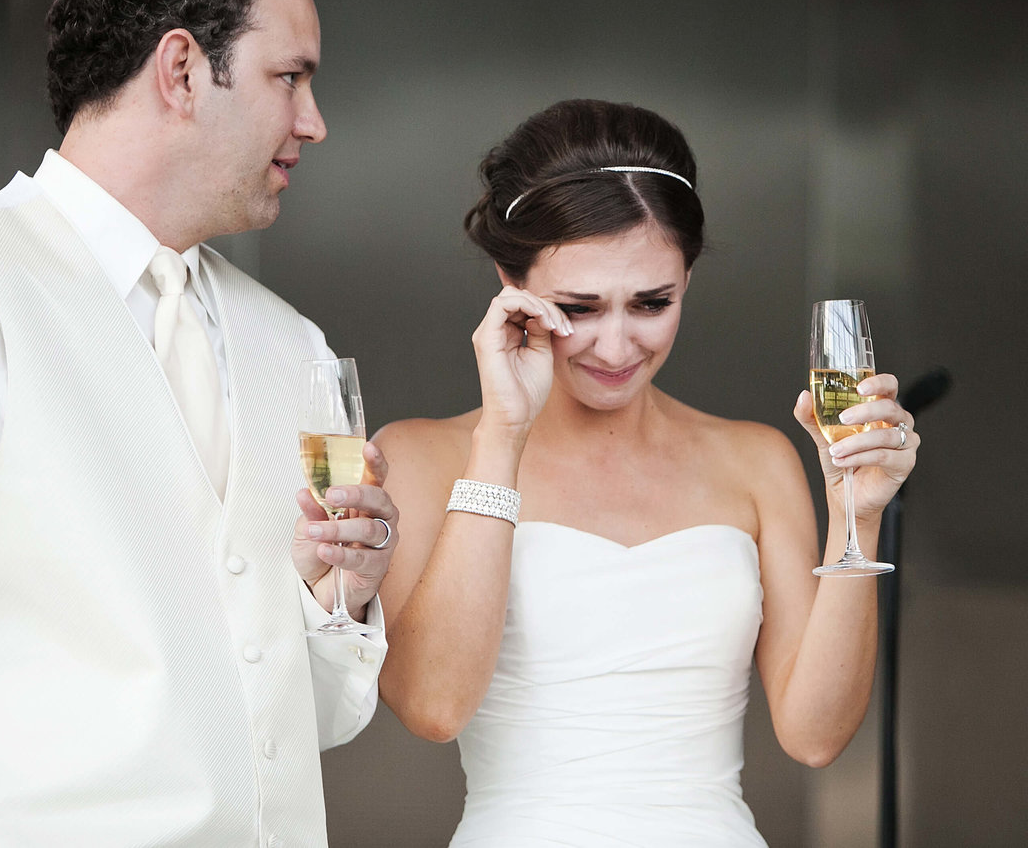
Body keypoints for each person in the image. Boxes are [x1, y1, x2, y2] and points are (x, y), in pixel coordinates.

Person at [0, 0, 398, 848]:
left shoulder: (296, 349)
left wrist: (339, 596)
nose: (315, 122)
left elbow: (321, 721)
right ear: (181, 69)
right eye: (289, 77)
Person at [374, 99, 919, 846]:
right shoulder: (422, 456)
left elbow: (815, 735)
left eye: (652, 302)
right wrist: (503, 434)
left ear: (687, 277)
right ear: (511, 283)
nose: (617, 344)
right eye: (580, 306)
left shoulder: (756, 458)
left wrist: (858, 512)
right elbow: (432, 706)